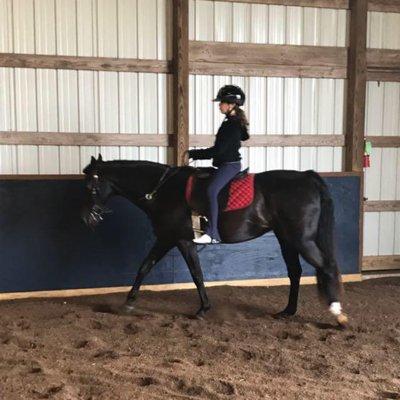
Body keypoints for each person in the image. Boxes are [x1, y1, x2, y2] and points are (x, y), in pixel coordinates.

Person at [188, 85, 250, 244]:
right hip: (225, 164)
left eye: (222, 102)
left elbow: (218, 151)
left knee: (211, 190)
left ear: (231, 105)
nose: (219, 105)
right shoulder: (232, 121)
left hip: (229, 165)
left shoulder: (231, 124)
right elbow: (244, 136)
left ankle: (212, 233)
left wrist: (193, 154)